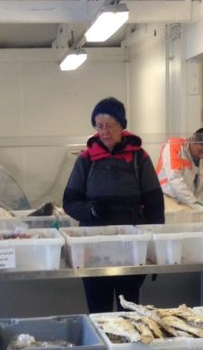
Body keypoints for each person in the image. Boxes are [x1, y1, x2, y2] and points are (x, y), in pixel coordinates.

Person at [63, 96, 165, 312]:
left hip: (131, 249)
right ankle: (103, 346)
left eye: (110, 125)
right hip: (93, 249)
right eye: (99, 126)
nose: (105, 132)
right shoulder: (86, 159)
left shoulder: (139, 159)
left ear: (122, 125)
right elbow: (69, 202)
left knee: (128, 309)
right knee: (98, 311)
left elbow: (155, 206)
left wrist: (157, 252)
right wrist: (90, 210)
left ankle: (125, 347)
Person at [155, 127, 203, 209]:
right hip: (166, 200)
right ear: (193, 140)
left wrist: (199, 204)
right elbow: (175, 179)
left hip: (189, 204)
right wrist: (193, 203)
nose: (202, 156)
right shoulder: (174, 145)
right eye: (200, 151)